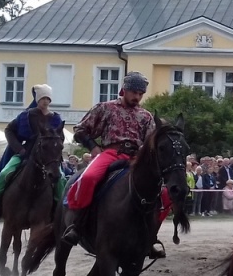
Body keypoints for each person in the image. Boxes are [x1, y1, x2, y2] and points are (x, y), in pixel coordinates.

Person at [63, 71, 167, 259]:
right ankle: (77, 225)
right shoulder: (106, 108)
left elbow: (151, 142)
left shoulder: (146, 116)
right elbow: (79, 129)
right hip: (110, 153)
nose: (137, 97)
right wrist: (93, 146)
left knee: (163, 193)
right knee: (88, 177)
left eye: (140, 94)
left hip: (136, 158)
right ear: (124, 90)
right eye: (134, 92)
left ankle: (150, 237)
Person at [0, 84, 65, 221]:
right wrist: (19, 149)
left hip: (48, 156)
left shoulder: (55, 118)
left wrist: (56, 146)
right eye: (43, 98)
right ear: (37, 99)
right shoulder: (26, 115)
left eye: (48, 99)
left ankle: (59, 210)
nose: (45, 101)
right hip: (26, 153)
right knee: (5, 173)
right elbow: (9, 130)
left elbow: (60, 136)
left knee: (61, 179)